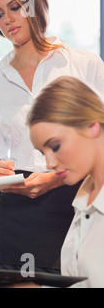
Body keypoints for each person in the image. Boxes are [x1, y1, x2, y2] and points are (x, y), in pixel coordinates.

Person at [0, 0, 104, 272]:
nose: (8, 19)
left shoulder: (85, 64)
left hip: (73, 202)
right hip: (12, 216)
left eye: (15, 8)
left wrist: (53, 179)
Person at [27, 76, 104, 288]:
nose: (49, 163)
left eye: (56, 146)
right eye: (43, 153)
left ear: (91, 126)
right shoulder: (85, 195)